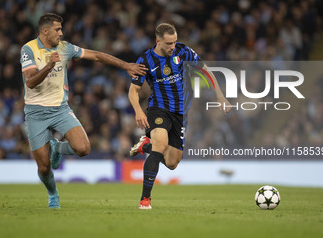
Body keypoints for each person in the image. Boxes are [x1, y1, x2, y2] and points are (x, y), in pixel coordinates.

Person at [20, 13, 147, 208]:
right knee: (44, 167)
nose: (61, 33)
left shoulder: (65, 48)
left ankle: (57, 147)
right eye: (57, 29)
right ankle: (53, 194)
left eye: (61, 29)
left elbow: (96, 55)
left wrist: (125, 65)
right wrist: (49, 65)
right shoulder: (28, 49)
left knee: (83, 148)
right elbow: (30, 82)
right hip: (35, 112)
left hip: (60, 109)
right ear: (45, 31)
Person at [128, 23, 231, 209]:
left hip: (181, 114)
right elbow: (133, 91)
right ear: (157, 41)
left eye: (174, 42)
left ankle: (146, 145)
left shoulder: (183, 51)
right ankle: (145, 200)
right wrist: (138, 110)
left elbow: (205, 70)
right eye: (168, 43)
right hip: (158, 109)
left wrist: (220, 95)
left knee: (172, 162)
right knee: (160, 145)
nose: (172, 47)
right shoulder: (145, 60)